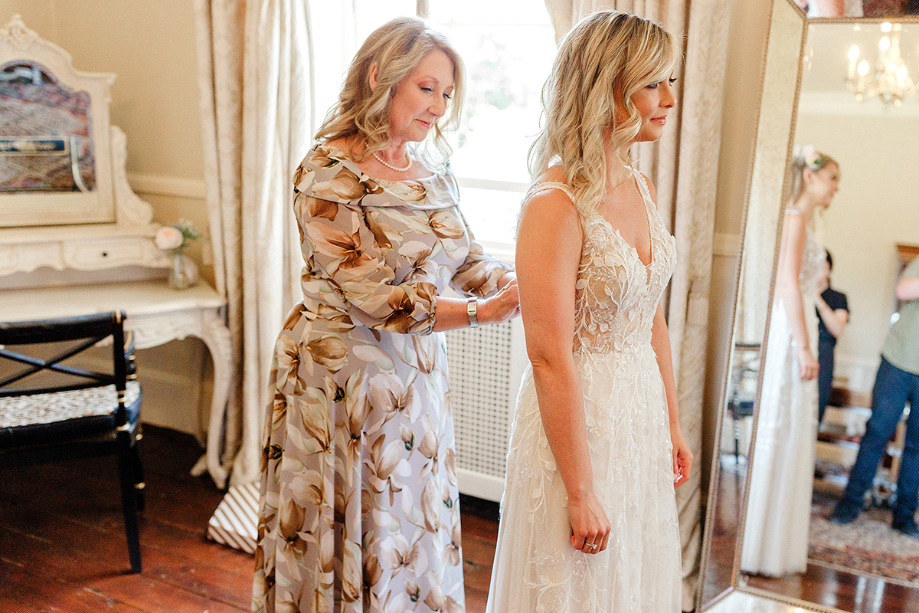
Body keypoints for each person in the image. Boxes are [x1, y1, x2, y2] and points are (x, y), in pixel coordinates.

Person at [251, 18, 520, 612]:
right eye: (428, 89)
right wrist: (483, 313)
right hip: (339, 380)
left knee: (408, 523)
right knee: (351, 527)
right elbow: (375, 296)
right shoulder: (327, 172)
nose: (439, 108)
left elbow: (464, 256)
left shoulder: (434, 169)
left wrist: (511, 280)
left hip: (416, 381)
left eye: (447, 94)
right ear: (381, 77)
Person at [485, 12, 692, 612]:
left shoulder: (642, 187)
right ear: (608, 85)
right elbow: (549, 358)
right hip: (577, 426)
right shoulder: (554, 203)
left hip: (640, 415)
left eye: (669, 81)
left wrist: (672, 423)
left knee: (630, 581)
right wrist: (579, 490)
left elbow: (650, 315)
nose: (669, 99)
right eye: (655, 83)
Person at [740, 146, 839, 576]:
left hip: (801, 328)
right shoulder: (795, 219)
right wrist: (802, 346)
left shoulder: (804, 221)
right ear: (810, 179)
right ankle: (761, 544)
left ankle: (777, 544)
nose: (837, 188)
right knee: (782, 423)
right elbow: (786, 284)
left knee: (795, 426)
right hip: (793, 331)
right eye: (833, 179)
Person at [830, 257, 919, 537]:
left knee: (917, 447)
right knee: (877, 433)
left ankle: (904, 515)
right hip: (897, 361)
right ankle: (851, 502)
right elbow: (903, 290)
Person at [815, 250, 850, 424]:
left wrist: (816, 299)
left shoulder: (838, 298)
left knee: (817, 405)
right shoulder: (799, 293)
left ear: (829, 270)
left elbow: (837, 329)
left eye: (823, 267)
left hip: (824, 355)